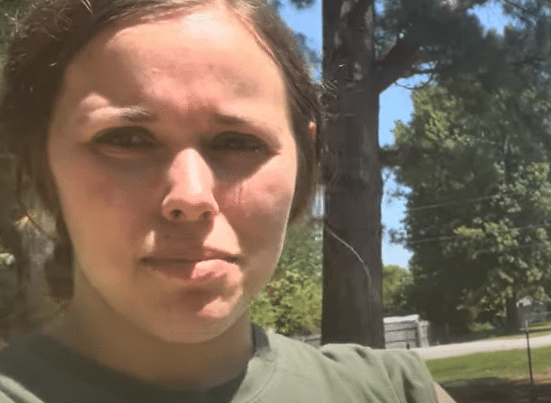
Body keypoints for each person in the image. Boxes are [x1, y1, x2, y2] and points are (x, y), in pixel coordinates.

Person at [0, 0, 454, 401]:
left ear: (305, 160)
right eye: (127, 139)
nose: (191, 197)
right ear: (42, 161)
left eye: (238, 143)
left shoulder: (393, 393)